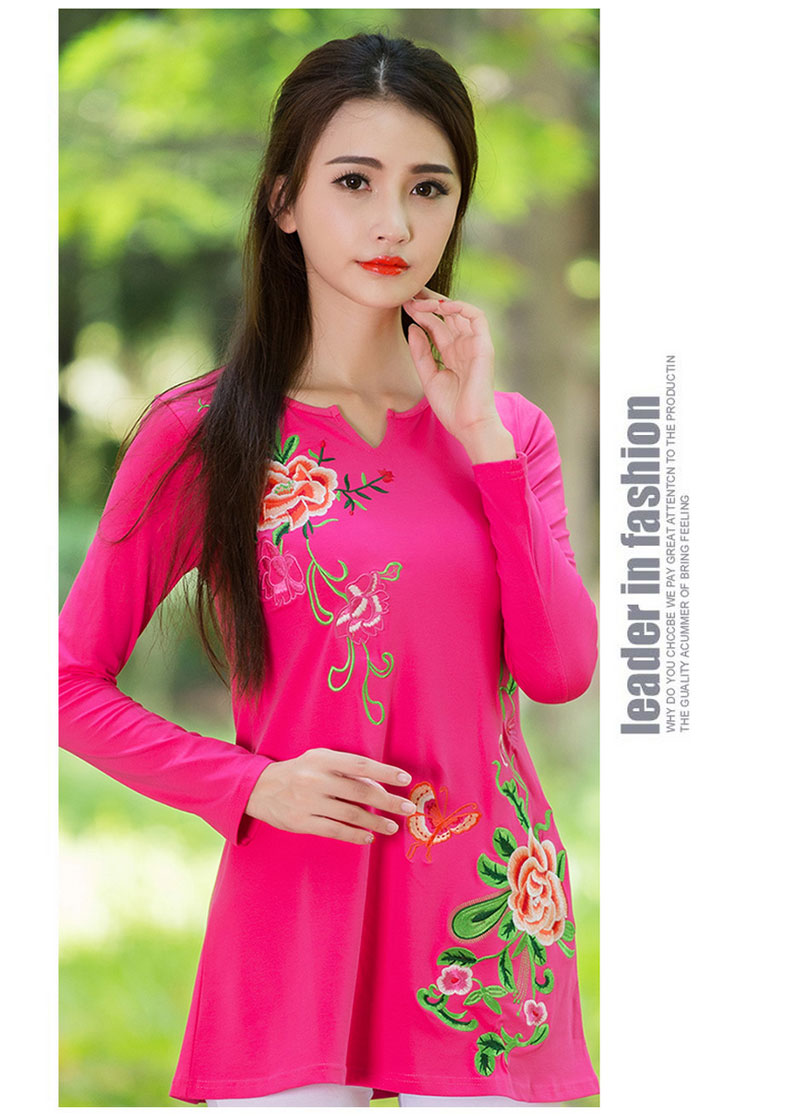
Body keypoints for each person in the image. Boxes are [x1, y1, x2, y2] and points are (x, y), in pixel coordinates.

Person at [59, 31, 600, 1108]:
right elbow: (65, 684)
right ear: (284, 201)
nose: (393, 222)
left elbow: (559, 672)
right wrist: (249, 785)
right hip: (293, 909)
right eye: (354, 181)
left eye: (428, 188)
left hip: (486, 924)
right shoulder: (204, 433)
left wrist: (482, 441)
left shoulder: (508, 432)